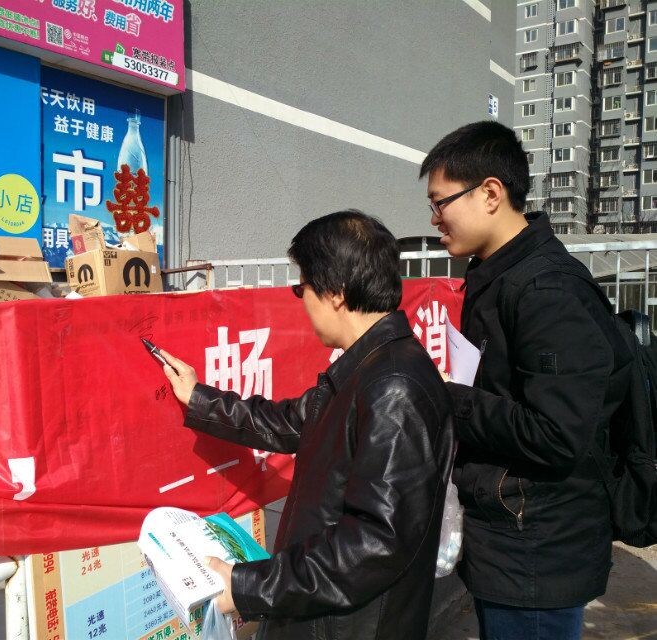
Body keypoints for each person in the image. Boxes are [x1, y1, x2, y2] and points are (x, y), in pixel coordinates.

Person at [160, 210, 454, 640]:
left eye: (303, 288)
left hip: (348, 628)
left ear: (335, 292)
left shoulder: (393, 387)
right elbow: (288, 421)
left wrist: (246, 587)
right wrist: (199, 398)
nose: (302, 302)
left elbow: (375, 544)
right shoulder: (367, 367)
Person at [419, 121, 632, 640]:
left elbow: (557, 433)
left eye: (441, 202)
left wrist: (451, 399)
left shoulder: (545, 290)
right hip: (511, 535)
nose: (434, 218)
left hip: (537, 551)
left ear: (491, 193)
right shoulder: (499, 275)